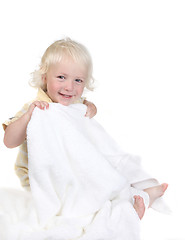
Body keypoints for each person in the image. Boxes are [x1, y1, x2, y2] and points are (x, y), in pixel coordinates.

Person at [3, 37, 168, 220]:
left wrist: (90, 108)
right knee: (79, 206)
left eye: (78, 80)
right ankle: (127, 208)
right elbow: (9, 141)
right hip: (43, 178)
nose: (69, 87)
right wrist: (28, 117)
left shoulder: (76, 105)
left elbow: (86, 134)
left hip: (74, 169)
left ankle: (136, 201)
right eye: (61, 77)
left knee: (99, 180)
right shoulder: (36, 108)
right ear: (44, 78)